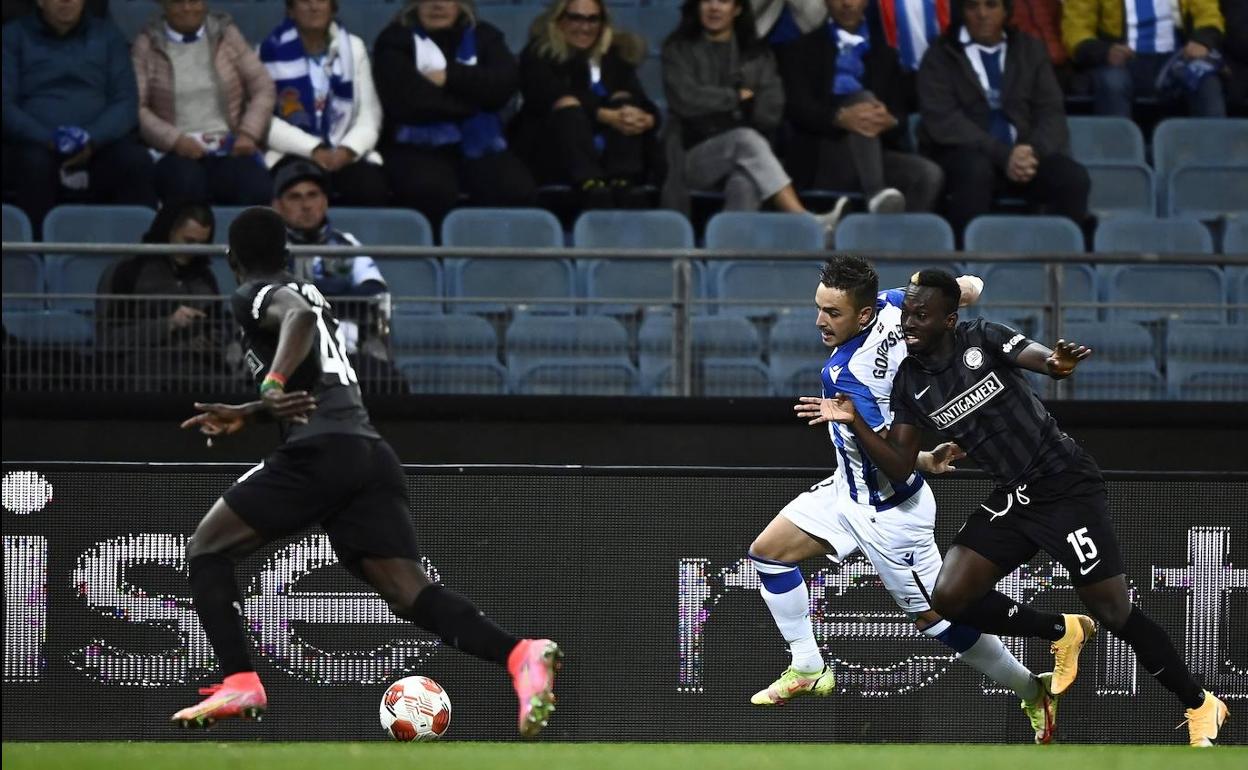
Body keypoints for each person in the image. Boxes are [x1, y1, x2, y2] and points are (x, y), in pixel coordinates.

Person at [172, 206, 561, 736]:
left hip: (319, 453)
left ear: (230, 257)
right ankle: (520, 654)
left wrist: (270, 385)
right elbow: (319, 372)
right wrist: (254, 411)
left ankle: (239, 680)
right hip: (367, 452)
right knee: (408, 593)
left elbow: (297, 321)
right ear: (287, 252)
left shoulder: (256, 292)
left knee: (207, 548)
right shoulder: (313, 292)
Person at [811, 269, 1231, 747]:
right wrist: (855, 422)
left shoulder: (982, 338)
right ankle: (1064, 630)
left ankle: (1200, 703)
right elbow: (901, 463)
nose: (909, 324)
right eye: (907, 314)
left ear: (949, 319)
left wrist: (1058, 363)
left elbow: (1043, 360)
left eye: (921, 316)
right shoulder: (909, 379)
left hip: (1065, 487)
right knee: (949, 598)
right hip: (1015, 497)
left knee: (1114, 611)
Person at [751, 257, 1068, 744]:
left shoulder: (846, 373)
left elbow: (889, 458)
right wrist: (961, 287)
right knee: (769, 554)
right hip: (847, 489)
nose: (819, 321)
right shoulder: (894, 303)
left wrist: (912, 459)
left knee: (937, 619)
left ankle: (1033, 689)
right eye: (819, 308)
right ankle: (809, 666)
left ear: (862, 314)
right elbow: (971, 286)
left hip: (889, 513)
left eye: (832, 313)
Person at [661, 0, 848, 241]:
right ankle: (806, 222)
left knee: (746, 182)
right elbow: (686, 100)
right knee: (744, 139)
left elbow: (771, 111)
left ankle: (726, 257)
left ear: (737, 9)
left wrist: (720, 106)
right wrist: (737, 99)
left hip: (749, 158)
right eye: (707, 0)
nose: (714, 7)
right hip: (691, 157)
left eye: (723, 1)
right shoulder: (678, 49)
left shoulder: (756, 54)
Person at [917, 0, 1089, 237]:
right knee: (974, 171)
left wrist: (1032, 151)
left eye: (991, 5)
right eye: (972, 6)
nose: (982, 14)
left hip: (1025, 155)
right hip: (966, 154)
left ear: (1006, 10)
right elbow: (944, 121)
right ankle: (966, 256)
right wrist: (1002, 154)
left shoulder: (1030, 49)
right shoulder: (940, 54)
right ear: (961, 11)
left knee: (1073, 178)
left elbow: (1051, 112)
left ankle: (1060, 255)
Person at [373, 0, 536, 227]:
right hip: (416, 144)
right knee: (431, 190)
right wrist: (473, 102)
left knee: (514, 188)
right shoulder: (395, 39)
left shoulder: (485, 36)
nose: (437, 5)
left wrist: (450, 76)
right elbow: (410, 101)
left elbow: (503, 85)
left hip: (481, 140)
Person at [1, 0, 157, 233]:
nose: (67, 1)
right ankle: (38, 251)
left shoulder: (108, 36)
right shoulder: (12, 36)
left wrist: (91, 138)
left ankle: (134, 251)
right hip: (35, 146)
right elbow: (5, 105)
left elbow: (125, 102)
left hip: (99, 146)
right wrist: (48, 139)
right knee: (33, 165)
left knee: (135, 161)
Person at [777, 0, 945, 213]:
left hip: (875, 155)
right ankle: (875, 193)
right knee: (863, 98)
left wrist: (890, 121)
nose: (847, 3)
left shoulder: (885, 54)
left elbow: (900, 116)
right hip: (821, 156)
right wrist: (837, 118)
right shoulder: (800, 49)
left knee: (928, 174)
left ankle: (895, 233)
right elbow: (797, 109)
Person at [514, 0, 664, 209]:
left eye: (593, 19)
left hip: (609, 150)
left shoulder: (612, 57)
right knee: (568, 105)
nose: (585, 27)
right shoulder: (538, 54)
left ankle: (623, 181)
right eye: (576, 18)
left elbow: (641, 99)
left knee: (625, 101)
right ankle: (590, 185)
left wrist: (647, 119)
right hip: (553, 148)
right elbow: (549, 95)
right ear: (559, 20)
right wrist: (604, 115)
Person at [131, 0, 275, 208]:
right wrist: (175, 140)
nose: (187, 8)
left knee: (255, 186)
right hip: (175, 151)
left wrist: (248, 133)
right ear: (163, 5)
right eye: (177, 2)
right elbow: (137, 106)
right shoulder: (147, 43)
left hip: (229, 146)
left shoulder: (226, 34)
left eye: (194, 1)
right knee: (185, 185)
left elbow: (263, 87)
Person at [259, 0, 390, 207]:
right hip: (293, 152)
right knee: (298, 191)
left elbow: (369, 114)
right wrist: (313, 149)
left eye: (321, 0)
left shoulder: (353, 48)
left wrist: (347, 150)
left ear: (332, 8)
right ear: (291, 10)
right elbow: (264, 120)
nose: (314, 7)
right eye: (305, 1)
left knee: (370, 188)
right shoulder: (269, 51)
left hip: (345, 152)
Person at [270, 160, 394, 372]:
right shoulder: (270, 248)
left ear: (325, 201)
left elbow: (375, 291)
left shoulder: (346, 244)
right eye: (295, 197)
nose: (306, 205)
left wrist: (313, 294)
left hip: (347, 355)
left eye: (313, 195)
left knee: (389, 379)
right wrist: (342, 291)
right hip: (288, 358)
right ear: (277, 206)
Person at [96, 201, 231, 392]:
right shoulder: (127, 272)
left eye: (202, 244)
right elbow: (107, 340)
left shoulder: (205, 278)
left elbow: (217, 330)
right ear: (169, 231)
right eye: (189, 242)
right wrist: (168, 324)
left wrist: (210, 343)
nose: (194, 251)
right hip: (140, 371)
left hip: (195, 372)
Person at [1062, 0, 1227, 118]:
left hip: (1175, 61)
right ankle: (1117, 154)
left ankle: (1216, 156)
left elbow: (1208, 14)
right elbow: (1076, 28)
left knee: (1206, 81)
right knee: (1112, 83)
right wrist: (1104, 52)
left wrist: (1202, 40)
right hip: (1122, 60)